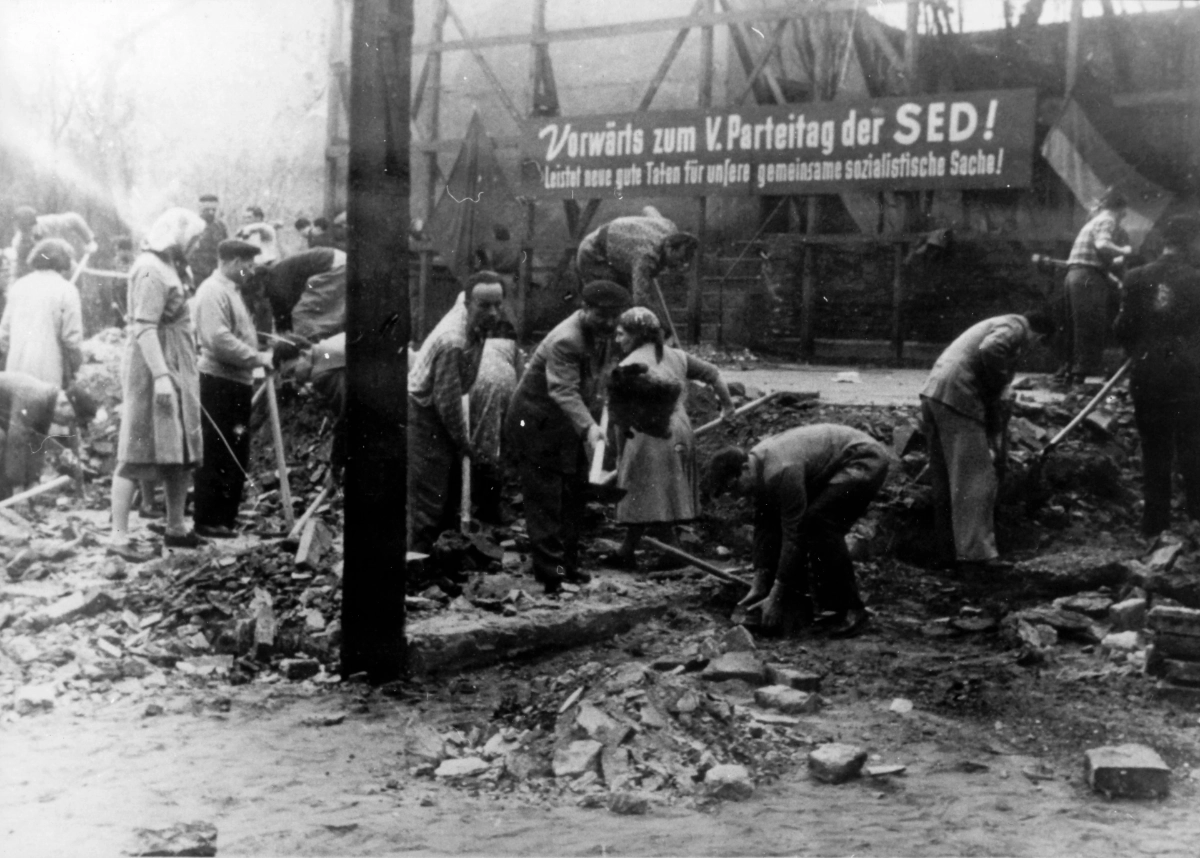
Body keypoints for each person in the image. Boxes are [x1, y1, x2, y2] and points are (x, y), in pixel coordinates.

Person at [504, 280, 630, 592]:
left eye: (615, 315)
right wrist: (589, 427)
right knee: (546, 498)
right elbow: (563, 390)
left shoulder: (601, 335)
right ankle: (551, 574)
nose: (610, 322)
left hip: (566, 425)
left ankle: (568, 566)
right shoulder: (567, 340)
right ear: (585, 308)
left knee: (575, 493)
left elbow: (595, 380)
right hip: (537, 425)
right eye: (602, 314)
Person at [706, 424, 890, 638]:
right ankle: (818, 609)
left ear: (745, 468)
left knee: (818, 522)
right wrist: (759, 582)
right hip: (833, 464)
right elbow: (764, 525)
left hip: (863, 458)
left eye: (734, 487)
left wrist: (776, 595)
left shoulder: (781, 471)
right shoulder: (759, 470)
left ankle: (851, 611)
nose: (737, 496)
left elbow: (794, 534)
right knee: (784, 519)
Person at [920, 311, 1055, 572]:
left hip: (935, 395)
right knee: (975, 479)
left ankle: (947, 553)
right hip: (958, 397)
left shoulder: (997, 323)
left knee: (946, 479)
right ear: (1039, 336)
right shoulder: (1015, 326)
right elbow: (991, 349)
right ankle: (976, 556)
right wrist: (1001, 385)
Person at [109, 207, 208, 557]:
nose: (197, 244)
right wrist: (162, 376)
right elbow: (144, 327)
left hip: (178, 364)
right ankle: (118, 538)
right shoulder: (151, 268)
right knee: (136, 449)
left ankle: (176, 527)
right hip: (153, 370)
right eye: (194, 238)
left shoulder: (171, 266)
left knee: (178, 449)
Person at [609, 306, 735, 568]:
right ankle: (627, 550)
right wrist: (727, 406)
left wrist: (620, 454)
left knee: (649, 492)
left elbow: (621, 421)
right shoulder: (676, 356)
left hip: (647, 435)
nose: (617, 340)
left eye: (621, 334)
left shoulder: (627, 367)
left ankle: (674, 553)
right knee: (653, 492)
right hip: (680, 431)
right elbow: (713, 374)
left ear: (636, 335)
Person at [407, 271, 507, 552]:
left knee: (450, 489)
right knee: (430, 495)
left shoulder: (474, 316)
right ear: (467, 304)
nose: (493, 312)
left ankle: (445, 555)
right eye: (484, 306)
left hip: (440, 406)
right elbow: (447, 403)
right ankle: (417, 560)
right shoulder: (453, 341)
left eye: (498, 305)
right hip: (424, 412)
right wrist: (463, 443)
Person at [1113, 214, 1200, 538]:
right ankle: (1197, 521)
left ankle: (1154, 527)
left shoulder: (1135, 277)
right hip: (1190, 377)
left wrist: (1141, 346)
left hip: (1148, 376)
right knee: (1193, 448)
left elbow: (1122, 329)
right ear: (1193, 242)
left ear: (1165, 241)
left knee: (1154, 452)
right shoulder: (1197, 279)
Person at [192, 239, 274, 539]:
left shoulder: (231, 291)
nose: (251, 271)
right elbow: (218, 340)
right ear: (234, 262)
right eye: (248, 265)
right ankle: (208, 520)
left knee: (234, 450)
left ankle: (224, 519)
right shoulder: (212, 291)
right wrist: (257, 358)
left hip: (236, 382)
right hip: (219, 383)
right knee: (217, 450)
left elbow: (236, 333)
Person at [1061, 187, 1132, 383]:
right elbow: (1103, 245)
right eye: (1124, 212)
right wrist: (1124, 251)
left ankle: (1071, 372)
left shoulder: (1094, 221)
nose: (1124, 216)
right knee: (1091, 324)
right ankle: (1086, 373)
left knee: (1076, 326)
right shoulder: (1108, 220)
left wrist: (1115, 279)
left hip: (1075, 275)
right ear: (1120, 208)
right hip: (1087, 277)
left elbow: (1096, 260)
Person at [576, 206, 697, 312]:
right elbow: (640, 299)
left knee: (625, 293)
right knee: (608, 303)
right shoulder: (646, 257)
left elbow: (648, 209)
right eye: (680, 259)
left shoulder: (668, 226)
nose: (682, 265)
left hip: (613, 242)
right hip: (593, 255)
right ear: (669, 248)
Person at [0, 238, 83, 389]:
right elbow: (72, 340)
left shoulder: (19, 286)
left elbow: (4, 336)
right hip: (47, 373)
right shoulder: (67, 290)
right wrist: (76, 368)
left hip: (15, 372)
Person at [0, 371, 95, 500]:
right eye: (70, 419)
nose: (68, 424)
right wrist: (18, 488)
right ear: (64, 404)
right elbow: (16, 442)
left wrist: (33, 480)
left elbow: (36, 444)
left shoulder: (48, 404)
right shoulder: (35, 400)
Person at [252, 246, 346, 333]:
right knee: (325, 314)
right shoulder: (278, 273)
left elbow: (284, 308)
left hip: (332, 264)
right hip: (336, 262)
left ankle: (308, 343)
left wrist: (283, 332)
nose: (259, 297)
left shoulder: (276, 281)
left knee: (301, 315)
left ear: (261, 283)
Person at [10, 207, 97, 280]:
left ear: (35, 224)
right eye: (23, 231)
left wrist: (89, 241)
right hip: (46, 271)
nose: (26, 235)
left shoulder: (49, 223)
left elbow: (74, 219)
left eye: (28, 230)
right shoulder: (19, 244)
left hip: (65, 259)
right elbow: (20, 270)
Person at [187, 194, 228, 286]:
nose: (211, 212)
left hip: (216, 272)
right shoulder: (192, 225)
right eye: (207, 210)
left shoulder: (220, 227)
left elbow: (225, 248)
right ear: (200, 209)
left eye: (214, 210)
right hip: (196, 273)